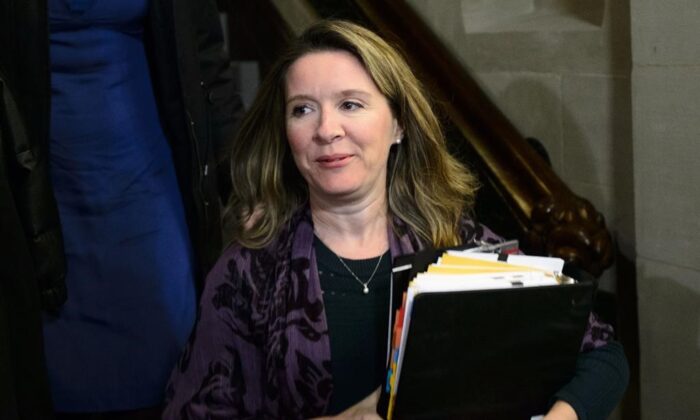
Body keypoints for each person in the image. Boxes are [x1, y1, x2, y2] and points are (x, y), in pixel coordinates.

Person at [164, 20, 628, 420]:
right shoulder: (249, 272)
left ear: (399, 124)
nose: (326, 130)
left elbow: (603, 354)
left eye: (351, 104)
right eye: (303, 109)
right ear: (286, 134)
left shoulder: (463, 248)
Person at [0, 0, 243, 418]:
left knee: (172, 353)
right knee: (50, 369)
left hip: (146, 182)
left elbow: (204, 57)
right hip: (36, 187)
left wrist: (246, 181)